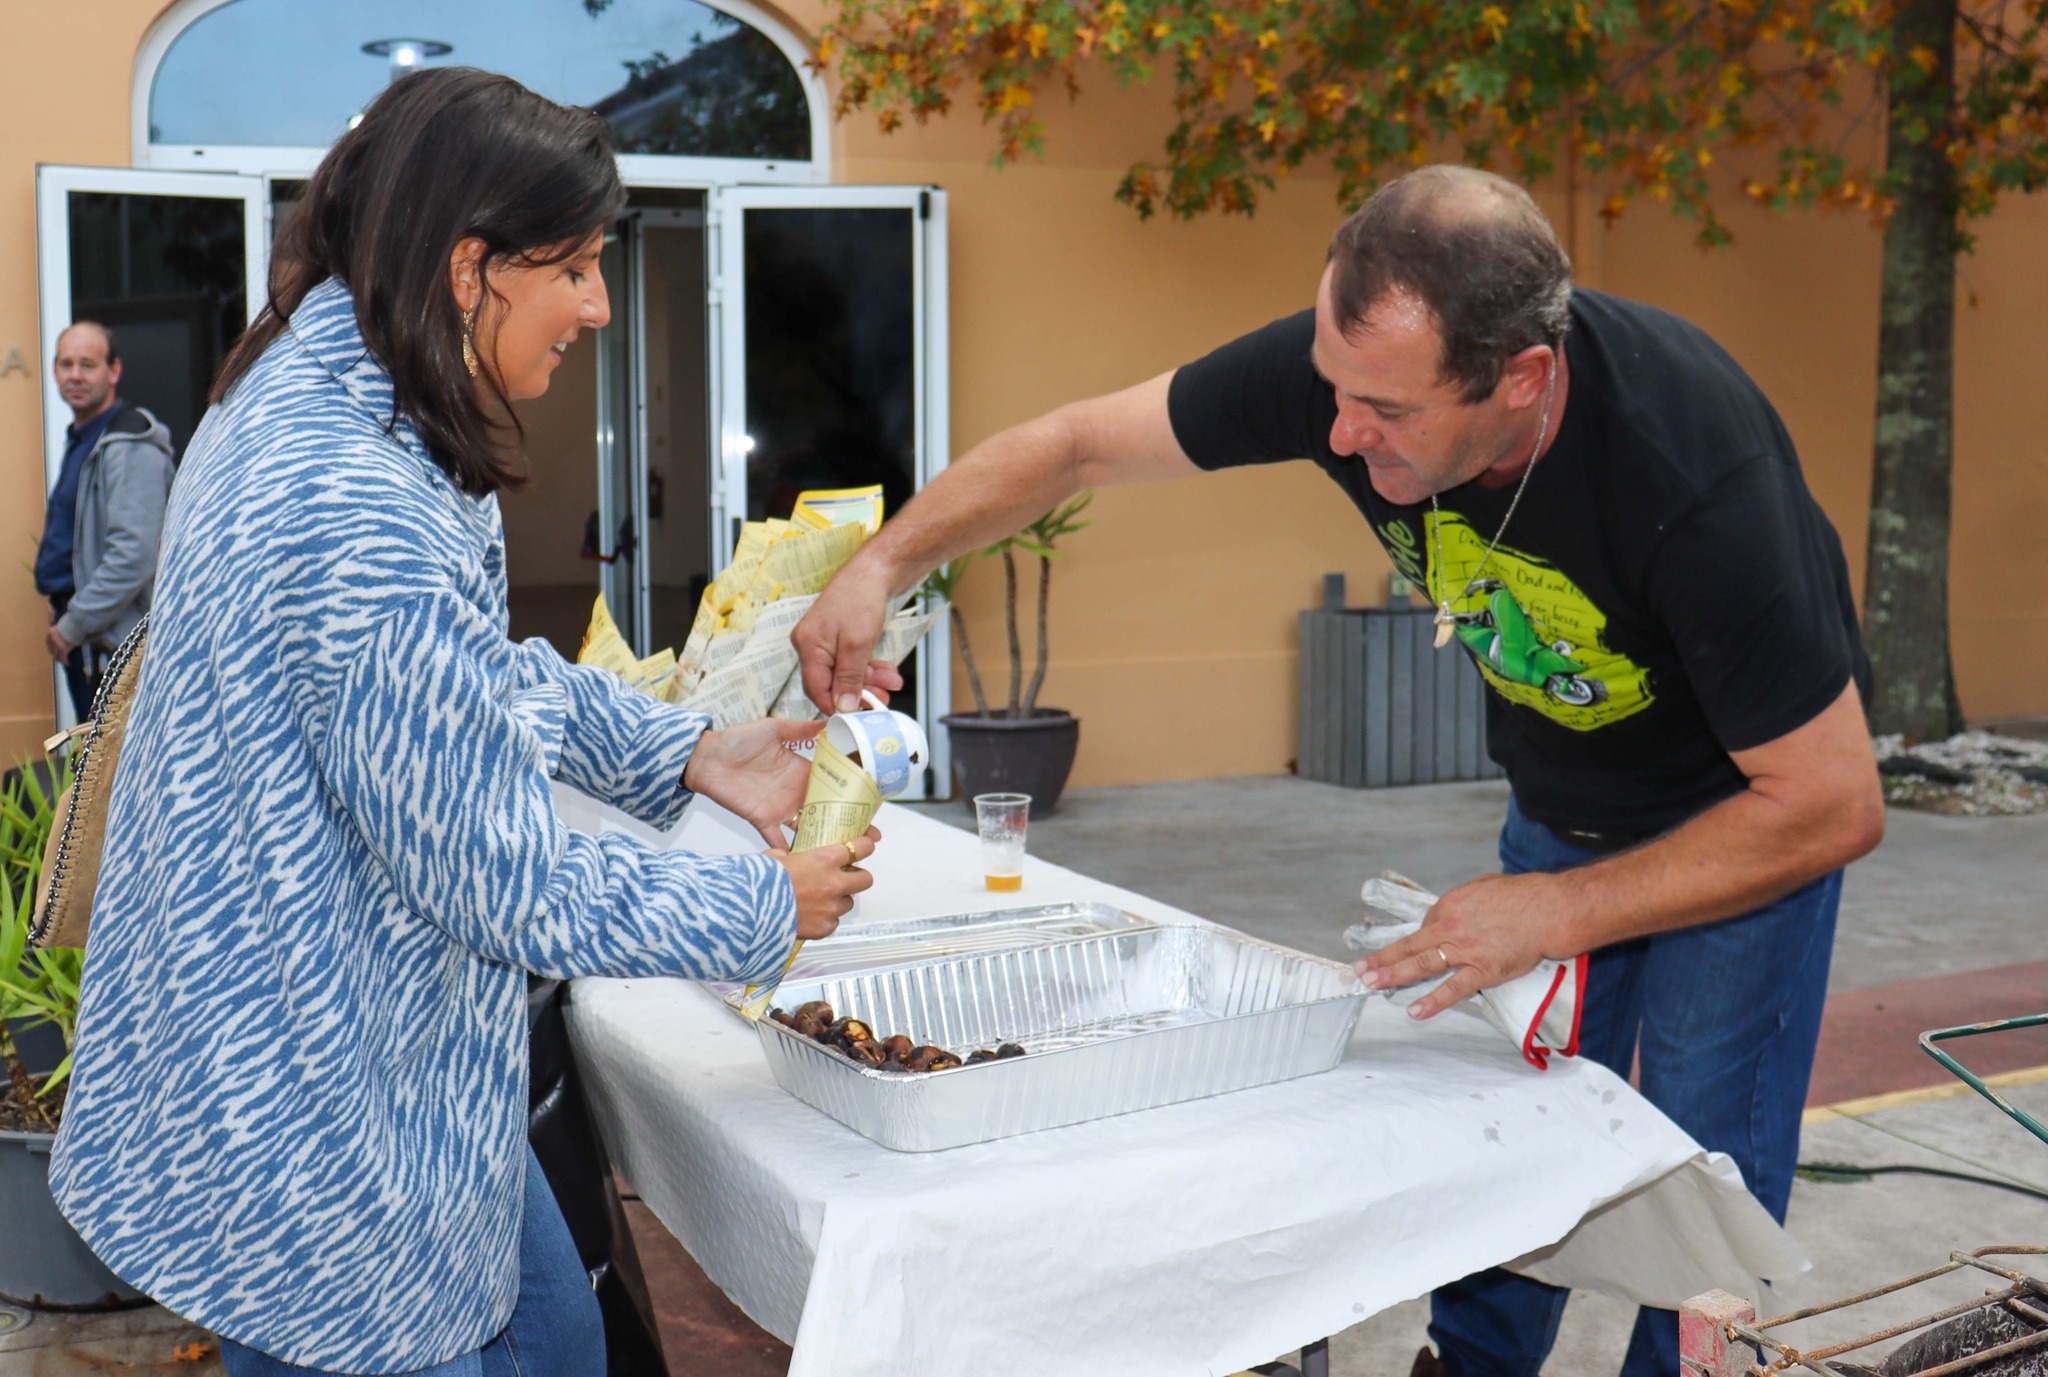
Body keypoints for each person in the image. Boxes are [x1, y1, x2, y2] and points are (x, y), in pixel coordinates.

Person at [793, 165, 1884, 1377]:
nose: (1337, 433)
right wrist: (877, 566)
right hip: (1560, 808)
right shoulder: (1348, 370)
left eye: (1385, 411)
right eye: (1330, 386)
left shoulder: (1692, 473)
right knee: (1507, 1139)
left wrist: (1559, 909)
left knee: (1699, 1183)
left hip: (1738, 829)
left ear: (1520, 378)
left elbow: (1829, 801)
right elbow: (1071, 446)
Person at [51, 68, 875, 1377]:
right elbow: (499, 872)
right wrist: (764, 912)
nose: (600, 306)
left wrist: (689, 750)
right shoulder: (351, 492)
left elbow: (459, 682)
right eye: (583, 268)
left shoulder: (333, 396)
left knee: (557, 1339)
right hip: (318, 1128)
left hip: (387, 1079)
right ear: (471, 264)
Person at [32, 320, 175, 719]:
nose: (74, 375)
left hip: (112, 646)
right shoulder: (85, 437)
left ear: (113, 371)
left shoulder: (129, 445)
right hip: (86, 634)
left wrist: (73, 624)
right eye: (65, 364)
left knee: (112, 776)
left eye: (87, 365)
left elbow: (134, 555)